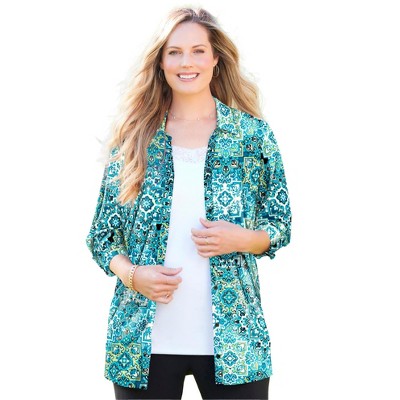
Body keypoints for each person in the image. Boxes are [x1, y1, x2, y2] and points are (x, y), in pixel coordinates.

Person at [86, 7, 291, 400]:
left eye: (198, 51)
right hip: (141, 344)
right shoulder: (134, 138)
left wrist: (244, 239)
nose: (186, 62)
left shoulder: (252, 136)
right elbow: (101, 236)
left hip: (237, 342)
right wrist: (133, 276)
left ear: (216, 59)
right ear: (161, 62)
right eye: (175, 52)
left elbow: (280, 223)